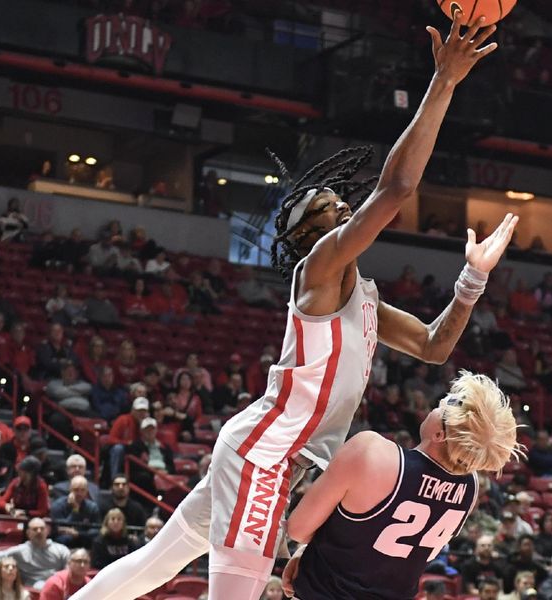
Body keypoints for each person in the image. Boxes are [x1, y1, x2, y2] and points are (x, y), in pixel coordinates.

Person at [72, 15, 510, 600]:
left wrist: (472, 279)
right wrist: (444, 84)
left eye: (338, 200)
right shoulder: (319, 271)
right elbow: (396, 190)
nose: (341, 205)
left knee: (157, 560)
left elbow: (434, 348)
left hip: (285, 458)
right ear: (309, 235)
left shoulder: (365, 297)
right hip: (267, 453)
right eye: (328, 207)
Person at [280, 371, 520, 600]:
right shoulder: (470, 487)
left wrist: (309, 550)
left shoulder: (371, 451)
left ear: (439, 435)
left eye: (444, 405)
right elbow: (415, 553)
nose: (437, 405)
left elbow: (298, 529)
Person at [0, 518, 70, 589]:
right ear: (28, 533)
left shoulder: (61, 550)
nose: (39, 532)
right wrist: (2, 564)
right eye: (35, 529)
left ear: (47, 531)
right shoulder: (20, 551)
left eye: (42, 529)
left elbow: (69, 570)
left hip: (57, 588)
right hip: (31, 590)